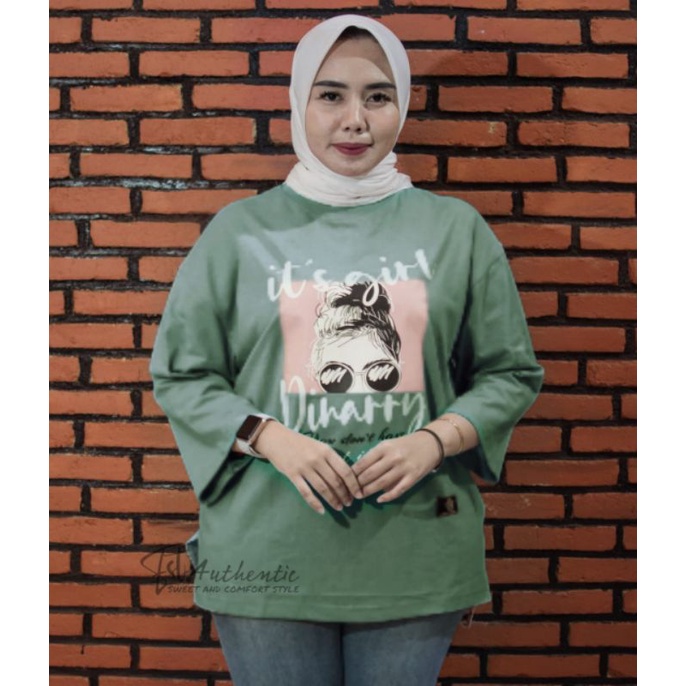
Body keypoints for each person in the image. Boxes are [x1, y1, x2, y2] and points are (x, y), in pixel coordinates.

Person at [150, 14, 544, 686]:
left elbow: (510, 372)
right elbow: (182, 375)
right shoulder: (239, 233)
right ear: (298, 102)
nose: (354, 120)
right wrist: (271, 437)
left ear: (402, 105)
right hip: (267, 550)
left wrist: (436, 441)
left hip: (414, 544)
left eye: (377, 96)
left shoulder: (456, 230)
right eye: (330, 95)